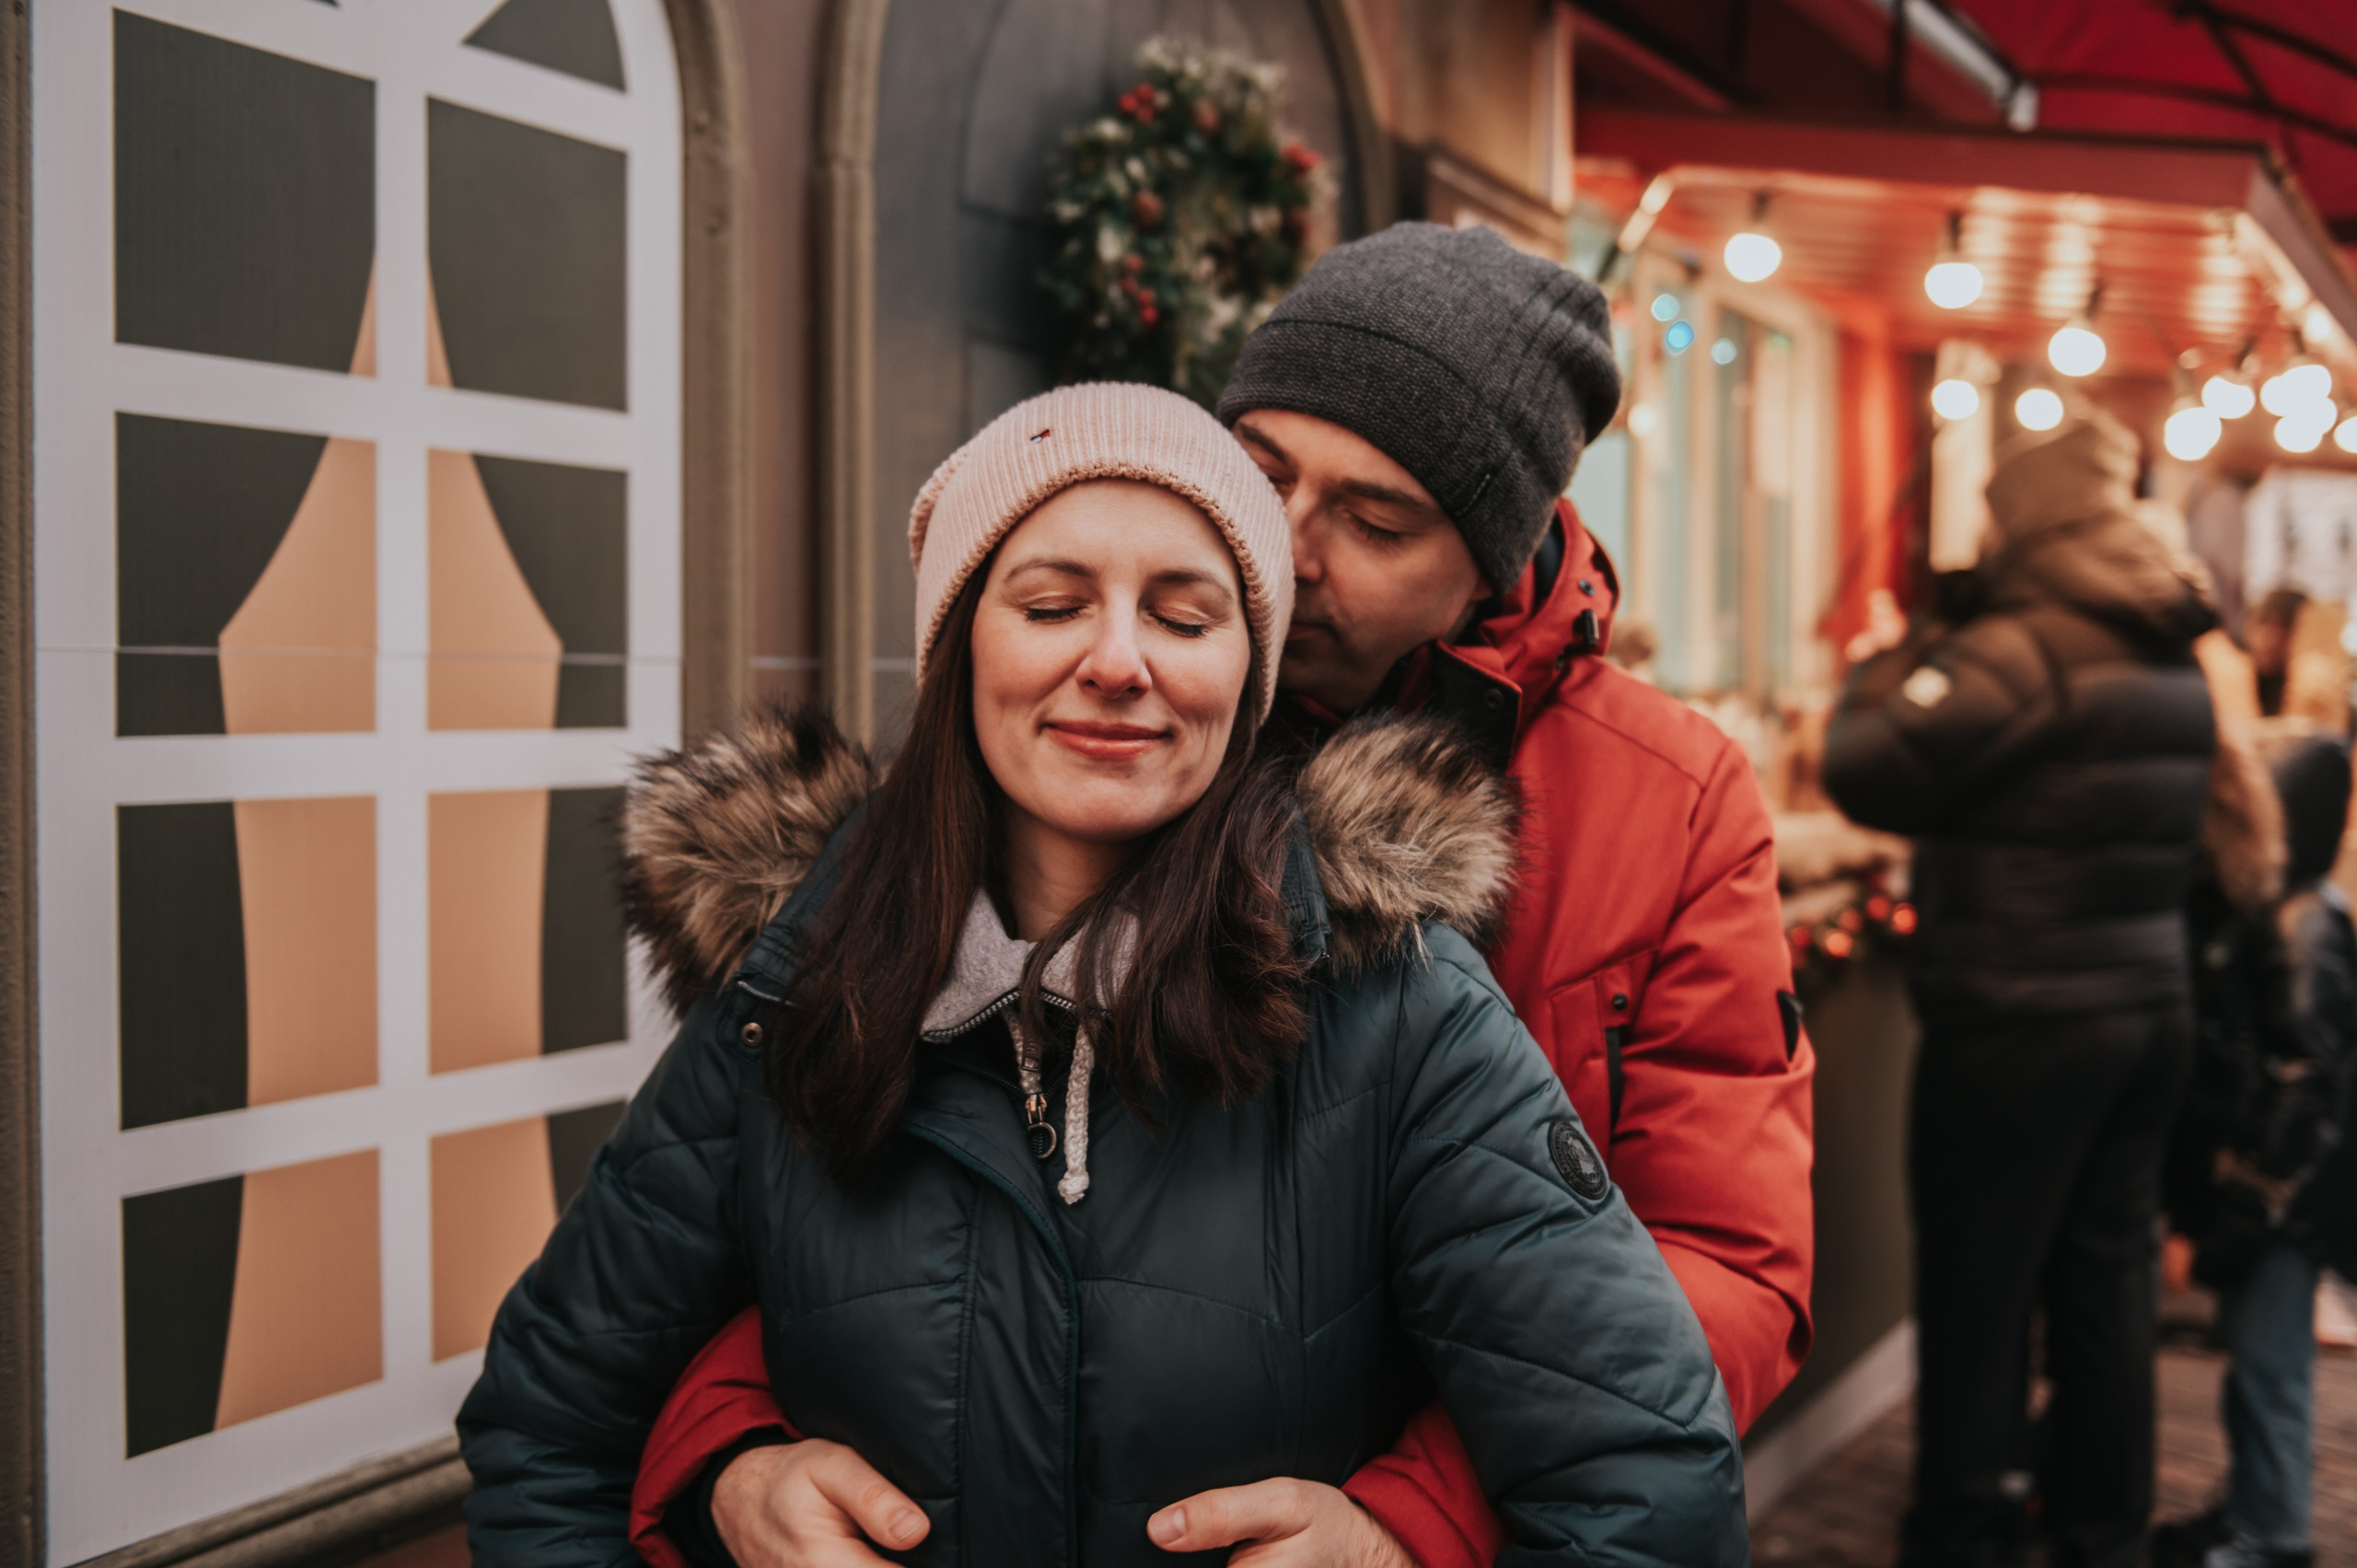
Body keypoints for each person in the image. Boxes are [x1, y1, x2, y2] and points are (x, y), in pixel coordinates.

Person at [626, 224, 1816, 1568]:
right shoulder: (1110, 724)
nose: (1291, 548)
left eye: (1376, 521)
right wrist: (735, 1442)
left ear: (1492, 560)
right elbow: (839, 1203)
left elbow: (1727, 1264)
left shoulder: (1666, 796)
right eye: (1262, 473)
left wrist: (1415, 1522)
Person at [1822, 409, 2220, 1568]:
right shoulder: (2164, 637)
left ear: (2027, 522)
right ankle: (2099, 1529)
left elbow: (1868, 766)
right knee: (2106, 1284)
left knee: (1978, 1286)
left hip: (2021, 1016)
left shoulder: (2029, 640)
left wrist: (1884, 660)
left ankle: (1960, 1529)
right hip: (2147, 1006)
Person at [2155, 733, 2357, 1568]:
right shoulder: (2276, 915)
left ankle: (2274, 1533)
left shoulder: (2305, 931)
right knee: (2250, 1359)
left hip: (2289, 1204)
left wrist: (2254, 1197)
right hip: (2273, 1195)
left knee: (2273, 1366)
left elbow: (2308, 1089)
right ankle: (2248, 1505)